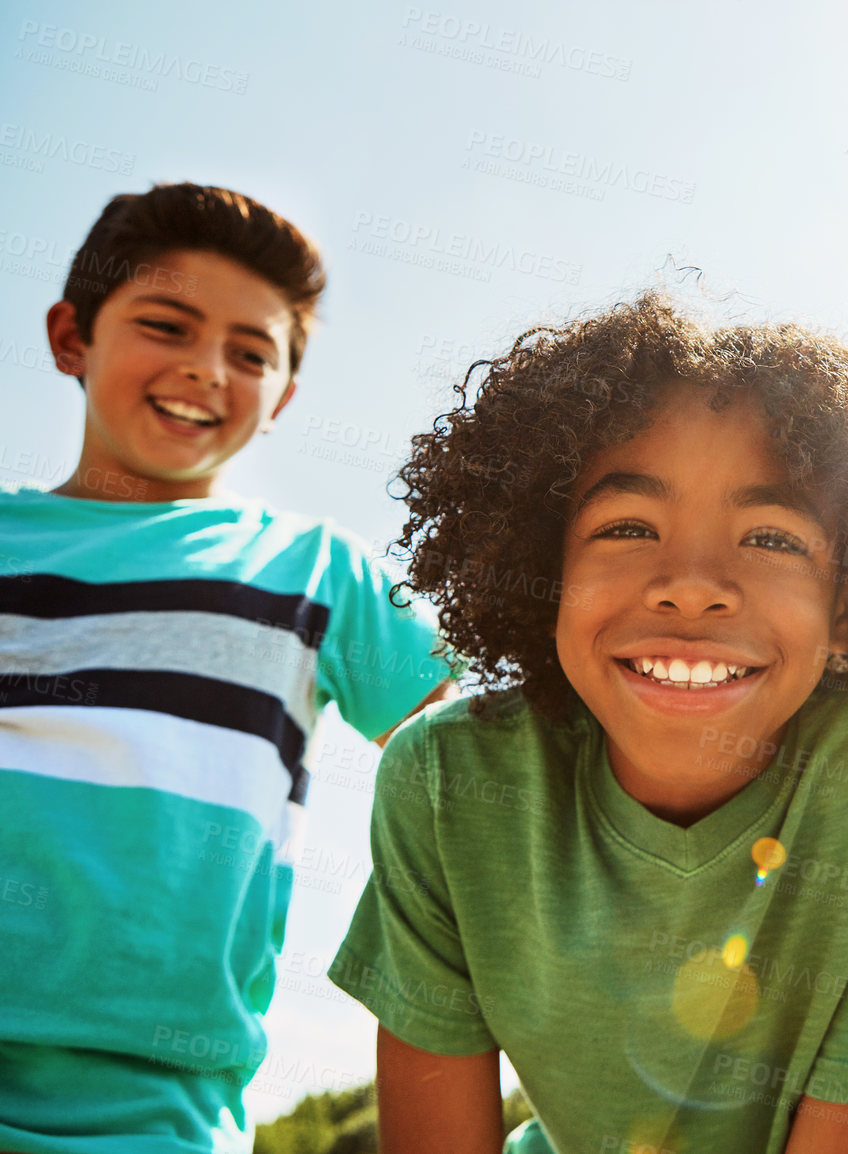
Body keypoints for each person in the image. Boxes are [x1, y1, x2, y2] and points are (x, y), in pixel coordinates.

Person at [328, 293, 848, 1153]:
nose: (692, 581)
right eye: (630, 525)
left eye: (772, 537)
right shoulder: (445, 780)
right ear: (542, 570)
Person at [0, 183, 457, 1153]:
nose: (205, 370)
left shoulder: (317, 573)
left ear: (283, 394)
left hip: (161, 1118)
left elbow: (481, 761)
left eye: (250, 353)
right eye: (166, 325)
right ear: (71, 337)